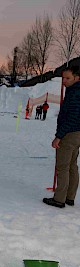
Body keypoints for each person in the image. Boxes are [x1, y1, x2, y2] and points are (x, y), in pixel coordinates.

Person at [43, 66, 80, 208]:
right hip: (76, 133)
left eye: (67, 78)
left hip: (70, 133)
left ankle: (59, 199)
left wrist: (58, 136)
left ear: (77, 78)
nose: (64, 81)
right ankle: (69, 197)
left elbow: (72, 117)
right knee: (72, 166)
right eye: (63, 78)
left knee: (63, 166)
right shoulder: (74, 90)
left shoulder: (75, 93)